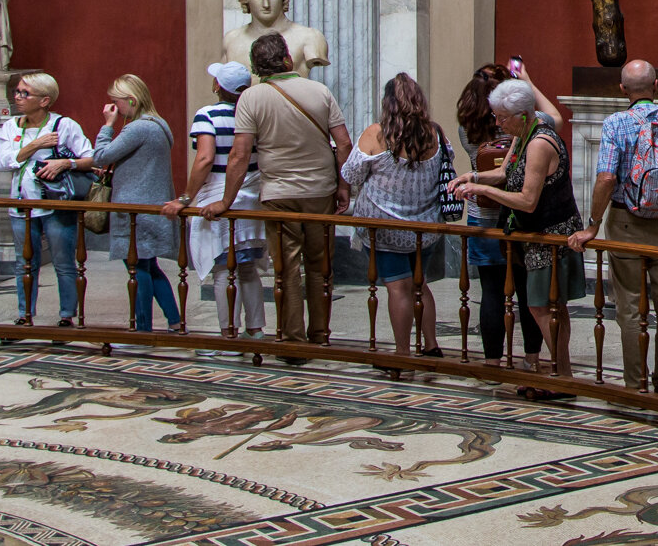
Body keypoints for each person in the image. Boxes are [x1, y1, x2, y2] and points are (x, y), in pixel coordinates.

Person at [208, 33, 352, 352]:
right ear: (287, 59)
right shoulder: (320, 91)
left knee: (286, 268)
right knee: (320, 266)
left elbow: (240, 155)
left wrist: (225, 201)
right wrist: (344, 186)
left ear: (257, 68)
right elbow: (343, 143)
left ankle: (293, 341)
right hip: (321, 190)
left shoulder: (251, 98)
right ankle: (319, 335)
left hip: (278, 193)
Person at [570, 59, 658, 394]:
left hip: (626, 222)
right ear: (657, 86)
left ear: (622, 89)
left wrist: (592, 225)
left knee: (629, 306)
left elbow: (606, 178)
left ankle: (634, 384)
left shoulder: (616, 123)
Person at [450, 75, 584, 397]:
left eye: (502, 117)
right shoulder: (523, 133)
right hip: (532, 234)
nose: (497, 123)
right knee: (550, 308)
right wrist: (475, 175)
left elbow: (527, 199)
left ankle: (561, 377)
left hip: (549, 235)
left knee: (543, 308)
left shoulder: (538, 142)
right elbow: (505, 172)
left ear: (522, 115)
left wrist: (482, 190)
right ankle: (559, 373)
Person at [343, 72, 451, 356]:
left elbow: (351, 174)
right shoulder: (435, 133)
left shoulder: (377, 134)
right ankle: (431, 345)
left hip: (385, 227)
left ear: (387, 102)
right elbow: (446, 165)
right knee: (420, 285)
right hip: (424, 229)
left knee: (398, 290)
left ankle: (402, 352)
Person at [162, 63, 267, 340]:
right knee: (247, 268)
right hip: (251, 196)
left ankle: (228, 332)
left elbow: (205, 158)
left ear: (217, 86)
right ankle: (255, 329)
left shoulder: (207, 114)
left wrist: (186, 197)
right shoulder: (254, 115)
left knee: (223, 269)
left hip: (219, 197)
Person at [78, 74, 183, 333]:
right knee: (150, 267)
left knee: (137, 270)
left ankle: (142, 328)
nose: (114, 108)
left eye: (117, 103)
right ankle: (174, 321)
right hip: (152, 206)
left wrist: (108, 125)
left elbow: (100, 157)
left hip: (134, 210)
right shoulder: (160, 124)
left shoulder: (137, 128)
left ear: (132, 100)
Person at [455, 61, 543, 366]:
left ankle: (492, 360)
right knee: (525, 291)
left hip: (482, 213)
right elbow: (551, 118)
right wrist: (527, 84)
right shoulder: (520, 126)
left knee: (490, 291)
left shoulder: (467, 125)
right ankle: (532, 357)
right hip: (515, 214)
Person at [0, 71, 90, 327]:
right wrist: (35, 145)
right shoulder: (11, 126)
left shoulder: (64, 125)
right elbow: (5, 160)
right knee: (24, 262)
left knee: (63, 261)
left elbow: (90, 158)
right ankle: (25, 313)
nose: (18, 97)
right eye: (17, 92)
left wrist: (64, 163)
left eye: (25, 93)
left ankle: (67, 315)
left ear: (44, 100)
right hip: (21, 204)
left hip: (55, 203)